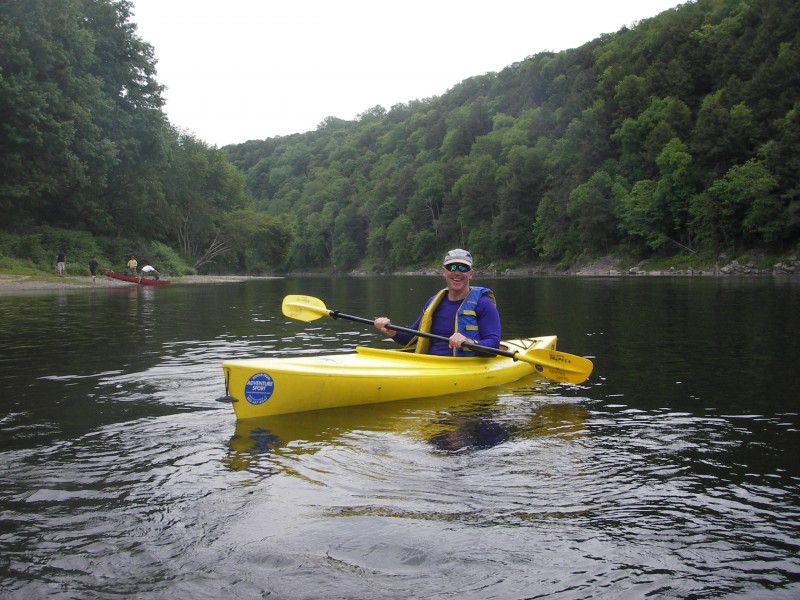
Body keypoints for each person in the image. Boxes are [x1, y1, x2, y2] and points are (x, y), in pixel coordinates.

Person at [373, 248, 501, 356]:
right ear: (444, 272)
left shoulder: (483, 303)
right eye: (451, 267)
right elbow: (411, 337)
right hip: (431, 363)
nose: (457, 272)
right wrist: (390, 330)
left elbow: (494, 344)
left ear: (471, 273)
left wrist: (469, 342)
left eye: (463, 268)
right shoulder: (434, 302)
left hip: (463, 366)